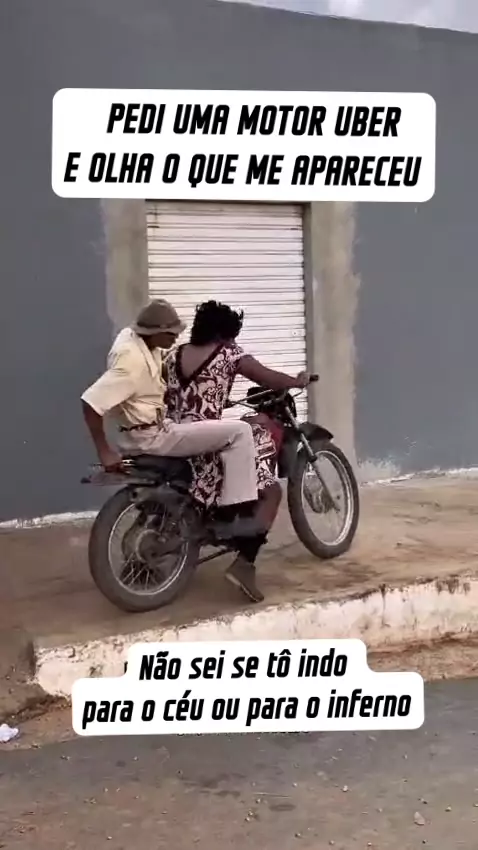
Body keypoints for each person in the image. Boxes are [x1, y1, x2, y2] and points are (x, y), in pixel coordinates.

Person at [164, 300, 311, 603]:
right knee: (271, 491)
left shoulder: (173, 355)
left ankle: (221, 516)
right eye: (232, 335)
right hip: (206, 445)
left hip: (174, 439)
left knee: (245, 429)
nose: (233, 341)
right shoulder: (228, 354)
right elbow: (268, 378)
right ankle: (244, 564)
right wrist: (298, 381)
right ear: (223, 334)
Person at [81, 299, 264, 538]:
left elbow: (155, 385)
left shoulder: (136, 341)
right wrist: (104, 452)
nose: (176, 338)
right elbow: (91, 402)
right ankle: (234, 514)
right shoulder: (131, 365)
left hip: (140, 431)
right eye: (171, 333)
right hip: (152, 437)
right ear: (155, 332)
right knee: (240, 431)